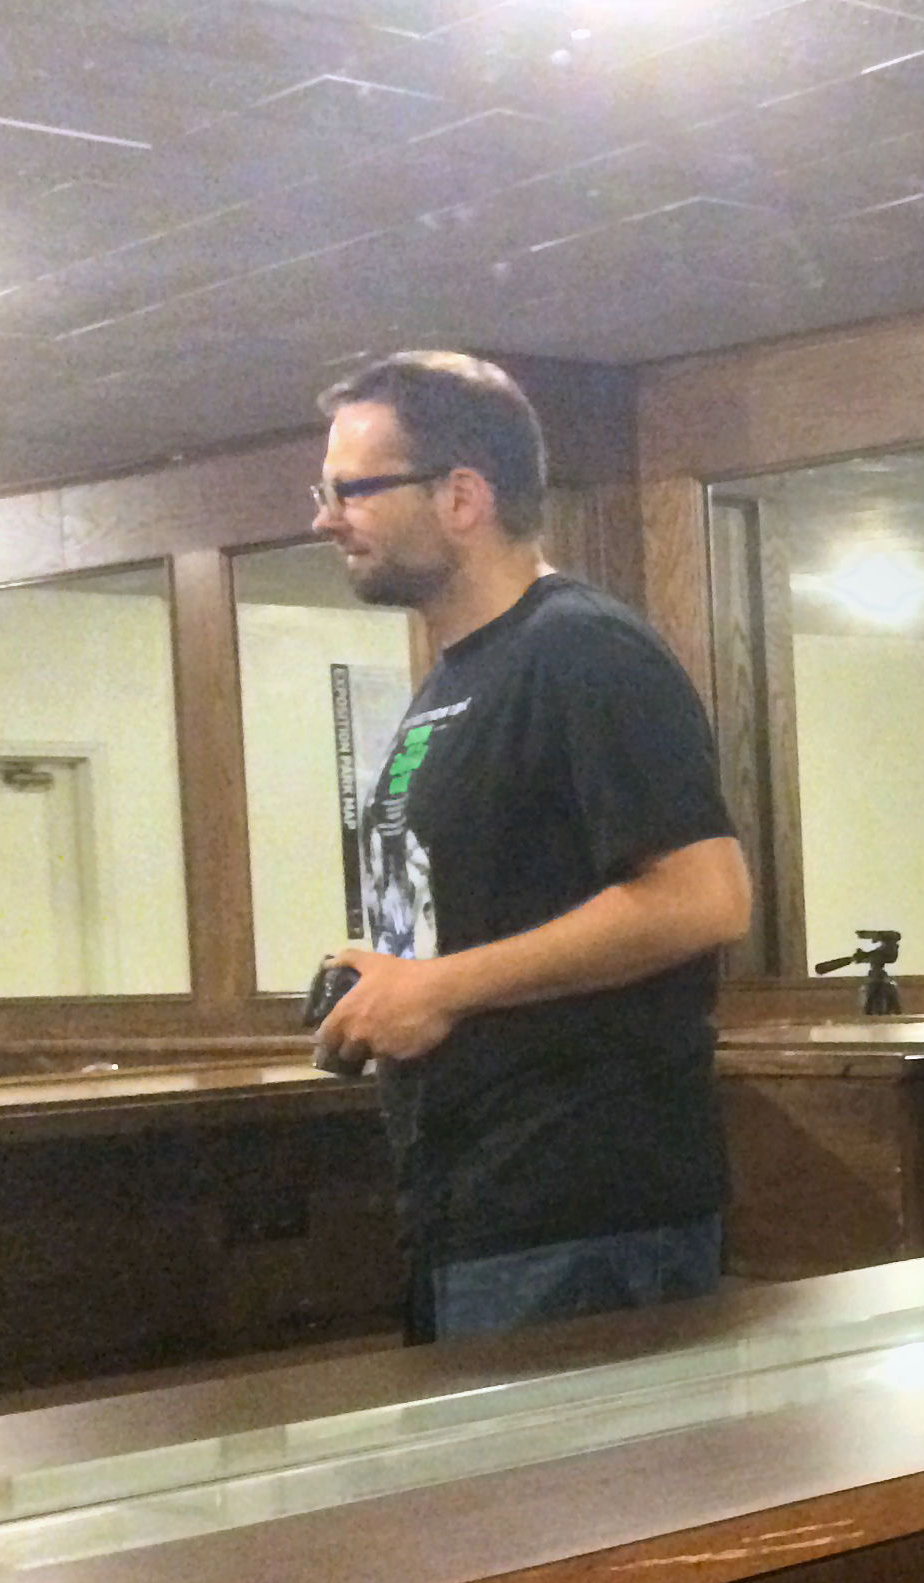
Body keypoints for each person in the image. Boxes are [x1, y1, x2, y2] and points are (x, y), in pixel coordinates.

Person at [307, 351, 754, 1340]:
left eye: (352, 490)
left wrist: (440, 987)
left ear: (461, 496)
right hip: (471, 1205)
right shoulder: (457, 676)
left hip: (584, 1218)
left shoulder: (584, 649)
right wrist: (391, 978)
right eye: (324, 493)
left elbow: (704, 897)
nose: (327, 519)